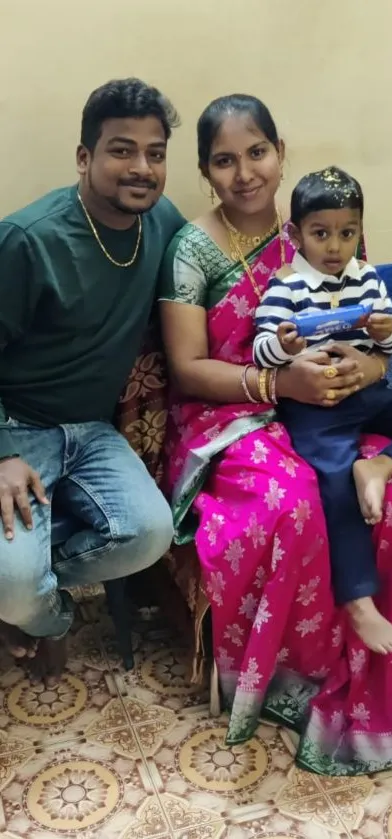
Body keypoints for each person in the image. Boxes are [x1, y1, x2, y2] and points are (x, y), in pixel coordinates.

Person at [159, 93, 392, 775]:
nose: (244, 173)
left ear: (278, 151)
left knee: (389, 496)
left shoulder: (321, 226)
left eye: (256, 153)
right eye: (223, 161)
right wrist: (277, 384)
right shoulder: (192, 248)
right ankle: (293, 675)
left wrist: (371, 363)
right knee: (293, 501)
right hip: (229, 410)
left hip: (334, 396)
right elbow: (185, 368)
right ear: (205, 172)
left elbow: (372, 324)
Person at [0, 77, 185, 683]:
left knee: (151, 534)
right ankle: (43, 618)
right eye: (121, 149)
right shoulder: (30, 239)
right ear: (84, 157)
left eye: (155, 153)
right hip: (18, 426)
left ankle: (21, 591)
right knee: (17, 587)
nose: (141, 168)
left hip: (93, 430)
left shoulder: (162, 225)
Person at [252, 165, 392, 655]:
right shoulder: (287, 286)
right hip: (317, 406)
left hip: (367, 391)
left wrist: (385, 334)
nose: (335, 246)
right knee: (332, 478)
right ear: (296, 233)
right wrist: (282, 343)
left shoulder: (366, 279)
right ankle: (360, 602)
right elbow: (261, 353)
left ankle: (379, 465)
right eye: (321, 233)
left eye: (346, 233)